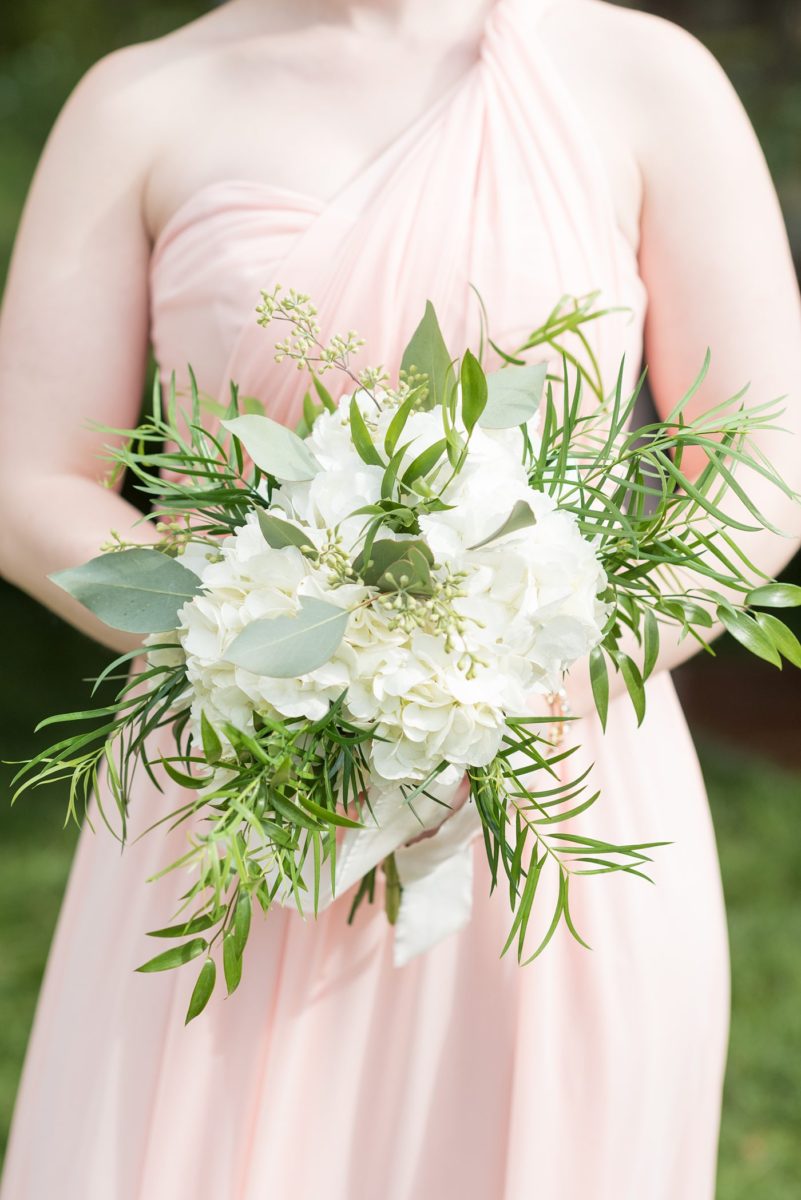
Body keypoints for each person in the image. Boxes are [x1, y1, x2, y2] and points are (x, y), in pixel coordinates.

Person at [1, 0, 800, 1196]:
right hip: (234, 798)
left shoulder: (647, 77)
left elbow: (760, 467)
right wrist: (276, 666)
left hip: (554, 797)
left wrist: (494, 684)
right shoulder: (142, 101)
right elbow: (27, 475)